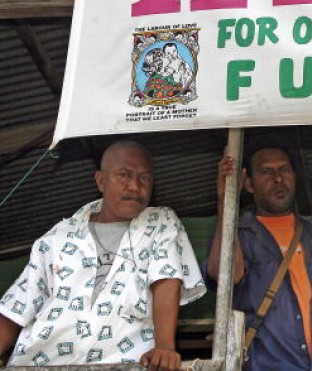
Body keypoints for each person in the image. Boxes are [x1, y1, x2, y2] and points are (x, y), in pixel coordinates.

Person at [0, 141, 206, 369]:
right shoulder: (60, 235)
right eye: (124, 175)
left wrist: (165, 347)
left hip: (120, 362)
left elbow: (167, 278)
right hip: (40, 362)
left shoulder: (160, 221)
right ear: (101, 181)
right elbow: (17, 306)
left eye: (144, 178)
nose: (135, 187)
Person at [206, 145, 312, 370]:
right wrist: (225, 199)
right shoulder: (238, 234)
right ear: (249, 184)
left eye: (285, 170)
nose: (278, 179)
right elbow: (226, 275)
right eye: (266, 172)